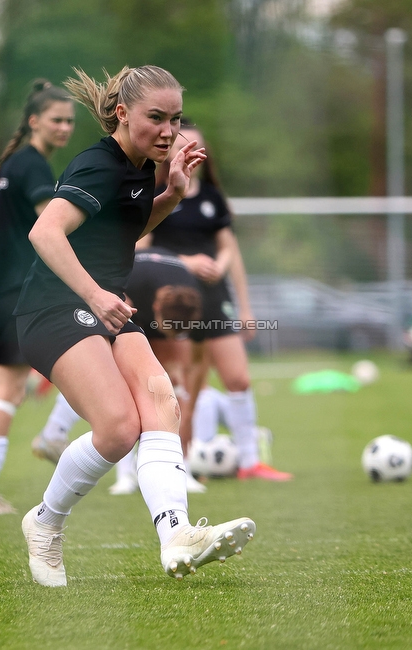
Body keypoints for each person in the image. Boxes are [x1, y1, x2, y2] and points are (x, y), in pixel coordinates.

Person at [16, 65, 255, 587]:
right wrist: (96, 294)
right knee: (120, 428)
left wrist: (169, 194)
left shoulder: (141, 167)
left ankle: (177, 534)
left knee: (160, 401)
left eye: (174, 119)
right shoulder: (100, 165)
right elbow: (45, 232)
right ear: (122, 114)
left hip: (103, 307)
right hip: (53, 309)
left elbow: (124, 230)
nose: (169, 131)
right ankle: (45, 523)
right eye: (156, 118)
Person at [141, 121, 291, 482]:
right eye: (187, 147)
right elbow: (140, 251)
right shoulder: (156, 195)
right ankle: (181, 466)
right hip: (173, 306)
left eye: (200, 149)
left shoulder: (211, 198)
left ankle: (250, 463)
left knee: (238, 378)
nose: (196, 154)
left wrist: (244, 303)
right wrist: (187, 263)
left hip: (215, 299)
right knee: (184, 389)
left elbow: (229, 252)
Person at [0, 80, 76, 515]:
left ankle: (52, 436)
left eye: (69, 120)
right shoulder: (31, 167)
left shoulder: (10, 164)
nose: (65, 127)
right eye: (57, 120)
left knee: (22, 384)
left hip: (3, 290)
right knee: (8, 390)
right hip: (19, 291)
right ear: (34, 122)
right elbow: (51, 228)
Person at [107, 246, 205, 495]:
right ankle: (125, 475)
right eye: (170, 331)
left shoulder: (190, 295)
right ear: (157, 309)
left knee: (178, 390)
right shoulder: (132, 282)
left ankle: (184, 469)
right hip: (121, 310)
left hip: (153, 306)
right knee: (127, 391)